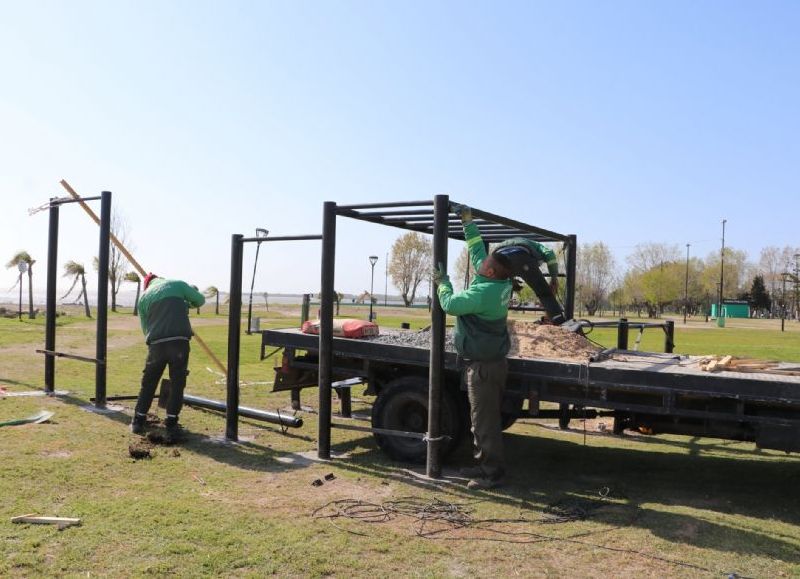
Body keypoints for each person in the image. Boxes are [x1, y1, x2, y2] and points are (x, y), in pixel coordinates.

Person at [434, 204, 513, 489]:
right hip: (490, 363)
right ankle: (483, 466)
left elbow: (450, 304)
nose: (478, 263)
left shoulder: (483, 293)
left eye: (483, 265)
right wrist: (469, 223)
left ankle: (493, 474)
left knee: (484, 423)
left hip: (484, 368)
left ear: (489, 273)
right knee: (481, 420)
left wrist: (443, 283)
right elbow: (478, 251)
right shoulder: (498, 281)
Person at [130, 273, 205, 442]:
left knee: (148, 382)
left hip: (156, 345)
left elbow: (145, 328)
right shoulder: (177, 284)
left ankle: (138, 421)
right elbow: (200, 300)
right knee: (177, 384)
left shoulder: (143, 298)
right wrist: (186, 303)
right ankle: (171, 424)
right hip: (180, 343)